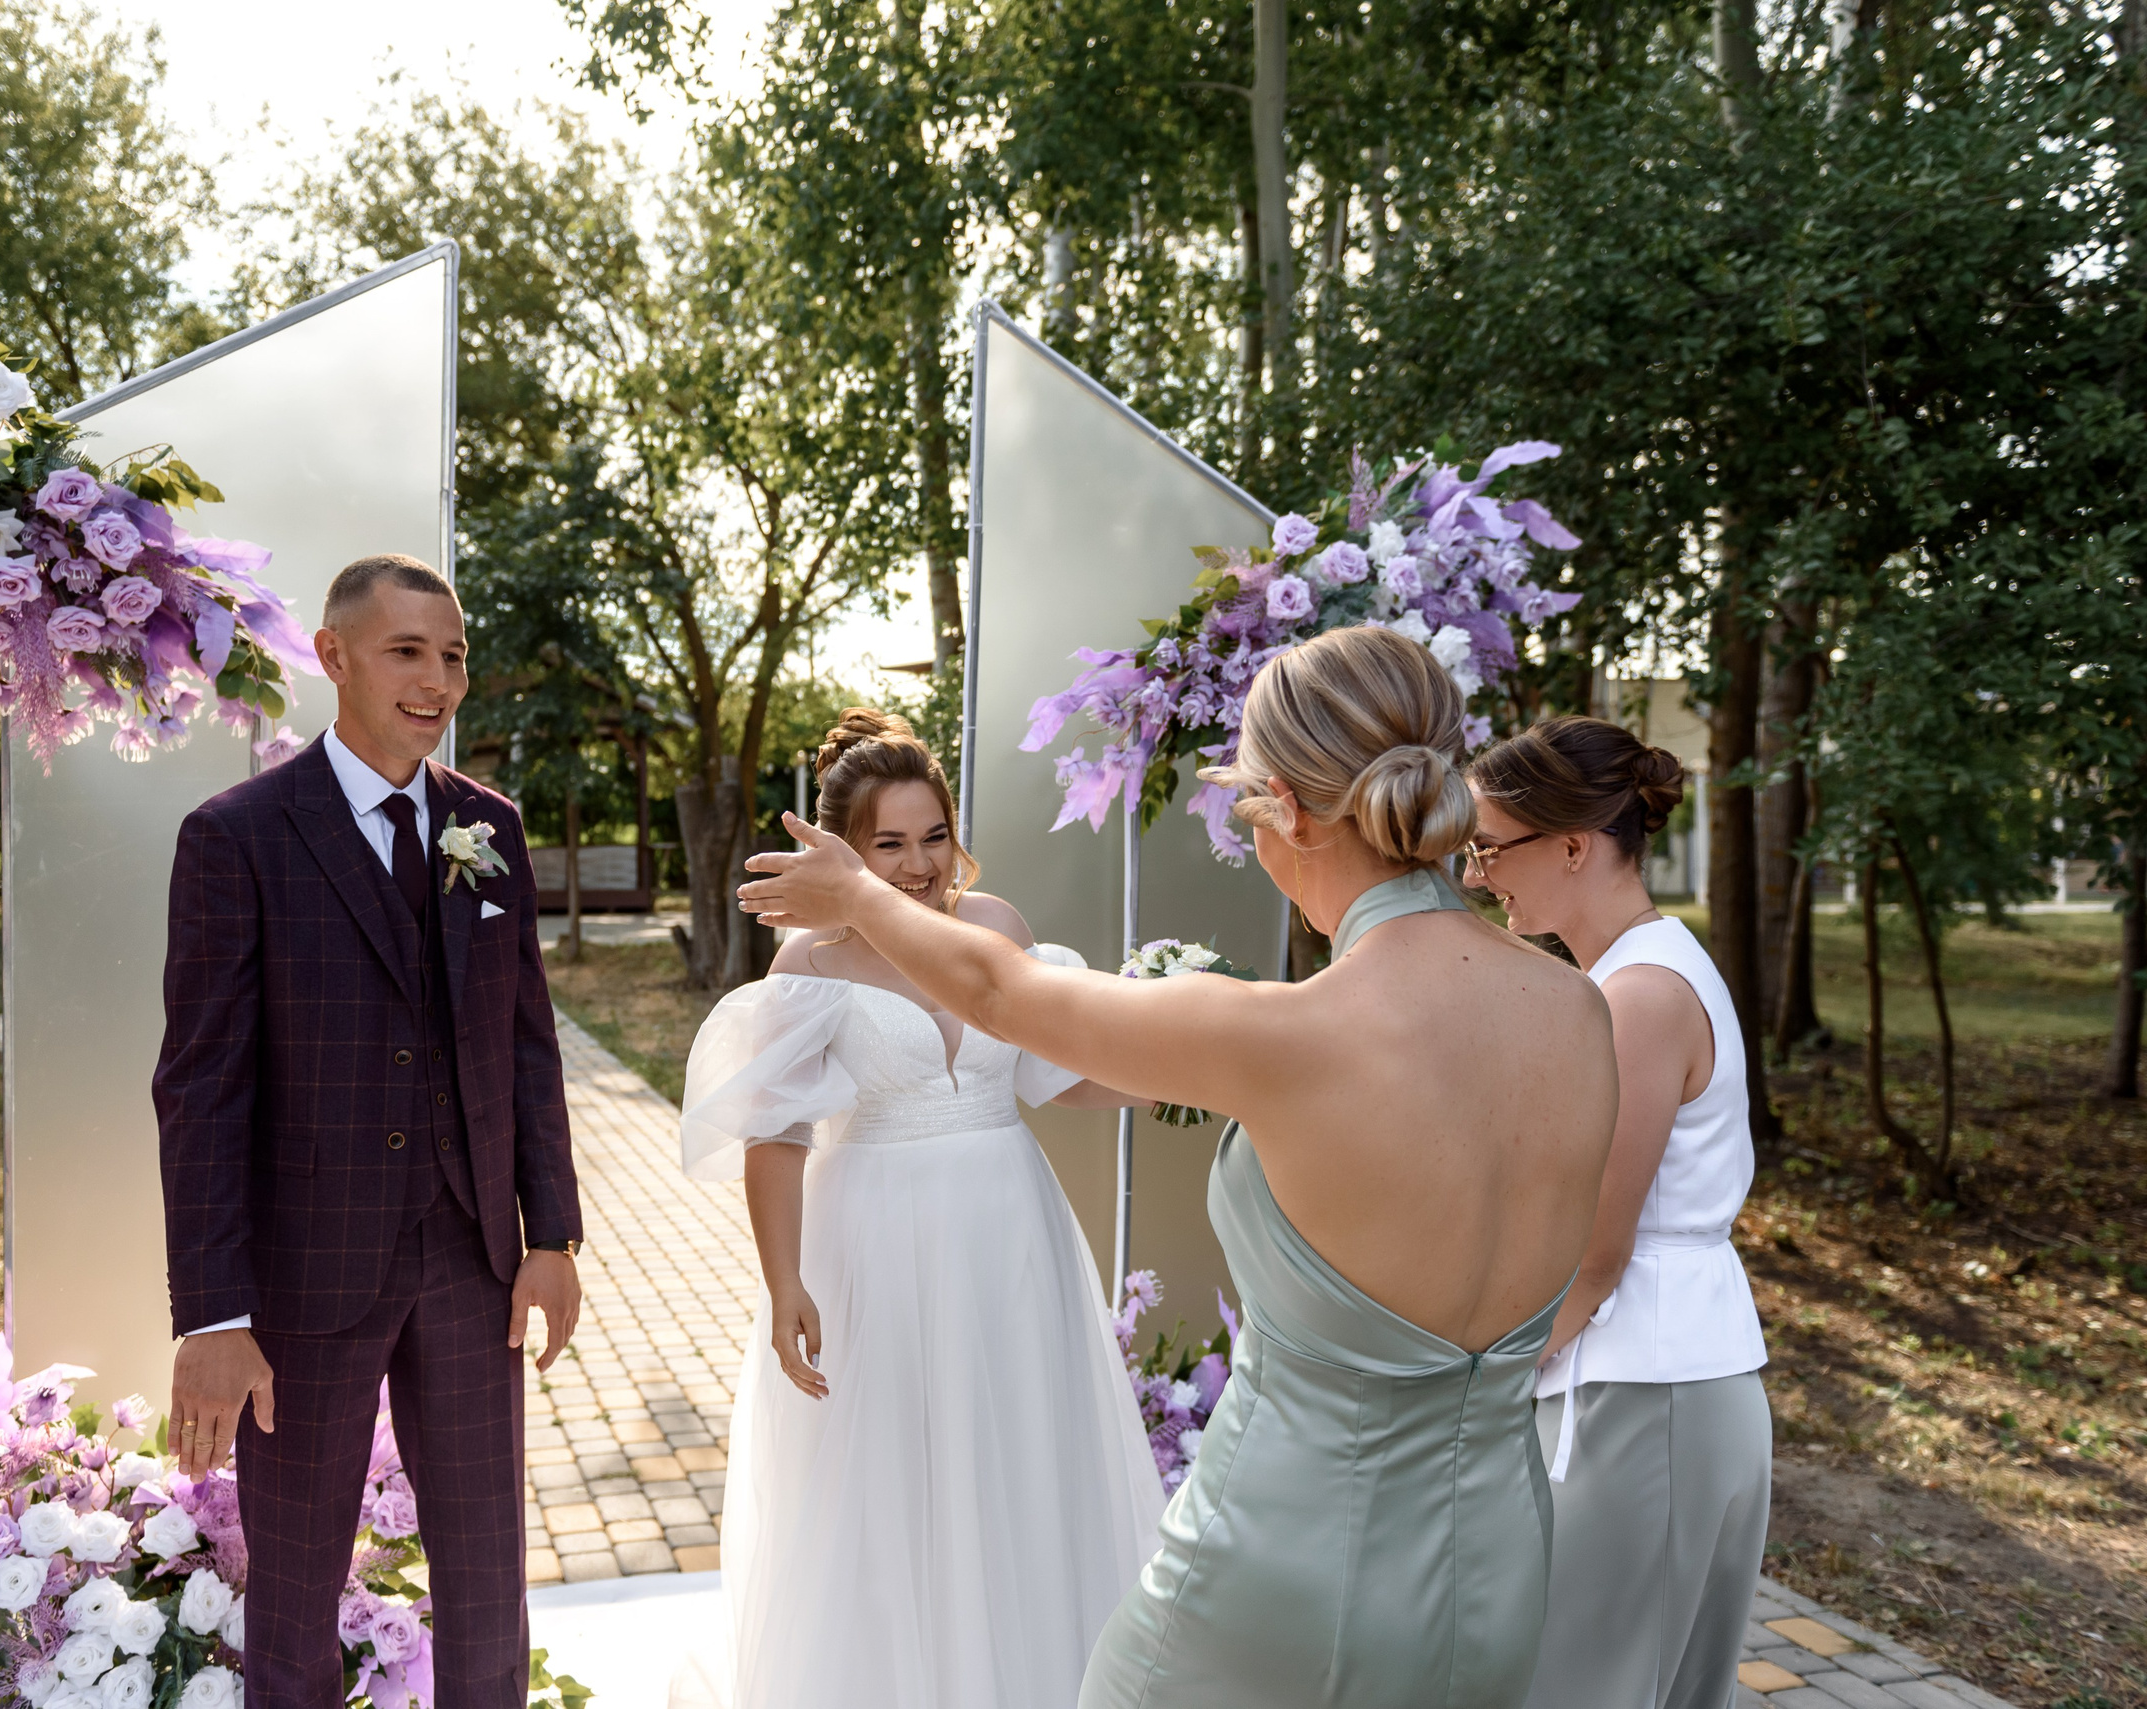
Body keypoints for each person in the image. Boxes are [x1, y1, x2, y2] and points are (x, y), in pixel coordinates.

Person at [739, 628, 1621, 1709]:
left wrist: (859, 896)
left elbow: (1007, 998)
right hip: (1496, 1568)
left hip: (1279, 1570)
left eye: (1246, 803)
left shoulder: (1294, 1032)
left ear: (1290, 810)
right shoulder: (1579, 1011)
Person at [152, 553, 585, 1709]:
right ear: (333, 656)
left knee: (489, 1583)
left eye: (451, 655)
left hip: (469, 1262)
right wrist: (213, 1312)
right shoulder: (238, 834)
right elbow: (199, 1086)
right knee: (292, 1596)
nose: (436, 678)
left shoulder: (485, 826)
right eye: (407, 650)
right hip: (302, 1282)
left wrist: (553, 1236)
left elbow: (527, 1044)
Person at [677, 709, 1167, 1709]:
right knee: (891, 1474)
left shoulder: (998, 928)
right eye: (888, 844)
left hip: (1007, 1222)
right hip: (875, 1237)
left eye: (933, 835)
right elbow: (776, 1134)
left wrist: (1165, 1068)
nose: (918, 866)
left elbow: (1047, 1071)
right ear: (843, 851)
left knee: (1016, 1452)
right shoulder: (809, 964)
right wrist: (783, 1284)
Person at [1466, 716, 1771, 1709]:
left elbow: (1597, 1249)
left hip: (1644, 1388)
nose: (1477, 875)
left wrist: (1487, 1384)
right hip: (1667, 1381)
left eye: (1489, 846)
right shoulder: (1631, 972)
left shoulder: (1638, 994)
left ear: (1571, 843)